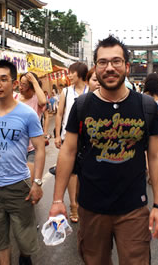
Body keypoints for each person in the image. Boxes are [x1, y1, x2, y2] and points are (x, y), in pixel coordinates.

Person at [49, 35, 158, 264]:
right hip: (91, 207)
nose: (109, 67)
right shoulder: (82, 106)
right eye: (102, 62)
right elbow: (68, 152)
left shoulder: (146, 107)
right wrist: (57, 200)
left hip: (133, 208)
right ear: (96, 67)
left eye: (116, 61)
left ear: (127, 67)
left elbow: (156, 156)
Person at [0, 60, 45, 265]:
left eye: (3, 80)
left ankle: (25, 258)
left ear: (14, 83)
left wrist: (37, 183)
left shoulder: (27, 114)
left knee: (25, 239)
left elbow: (40, 148)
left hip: (18, 185)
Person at [54, 62, 88, 223]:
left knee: (84, 172)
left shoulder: (91, 90)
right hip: (68, 136)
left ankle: (81, 200)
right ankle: (74, 205)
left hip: (87, 137)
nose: (69, 76)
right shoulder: (66, 92)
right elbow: (59, 114)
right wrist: (57, 135)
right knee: (71, 172)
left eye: (71, 73)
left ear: (79, 74)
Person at [16, 72, 46, 179]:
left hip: (32, 147)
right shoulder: (15, 98)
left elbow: (43, 101)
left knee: (29, 181)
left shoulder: (36, 99)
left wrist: (34, 80)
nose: (20, 87)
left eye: (24, 85)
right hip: (16, 147)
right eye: (20, 84)